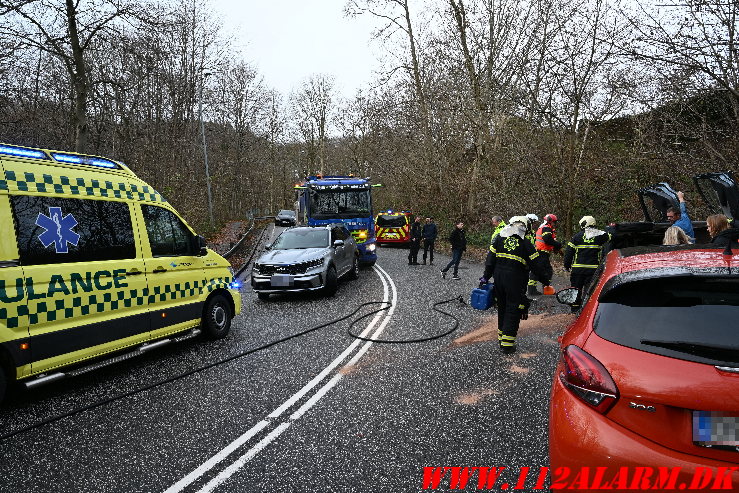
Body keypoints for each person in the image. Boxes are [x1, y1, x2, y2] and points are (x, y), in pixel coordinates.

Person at [488, 216, 547, 354]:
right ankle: (507, 345)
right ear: (525, 228)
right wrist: (545, 280)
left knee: (502, 307)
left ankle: (501, 338)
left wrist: (485, 277)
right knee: (513, 310)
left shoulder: (499, 239)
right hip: (515, 281)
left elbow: (490, 260)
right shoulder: (525, 243)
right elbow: (537, 265)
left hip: (499, 279)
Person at [563, 216, 611, 313]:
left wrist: (567, 265)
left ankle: (574, 310)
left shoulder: (576, 237)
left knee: (575, 290)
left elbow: (569, 252)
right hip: (593, 271)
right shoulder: (600, 236)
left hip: (578, 270)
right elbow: (611, 237)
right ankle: (587, 311)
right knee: (590, 291)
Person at [530, 213, 561, 295]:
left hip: (542, 253)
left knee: (545, 271)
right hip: (541, 253)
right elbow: (547, 239)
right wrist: (557, 244)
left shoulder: (544, 228)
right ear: (549, 221)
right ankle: (535, 290)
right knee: (542, 271)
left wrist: (556, 246)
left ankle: (544, 288)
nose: (555, 224)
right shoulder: (546, 228)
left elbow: (548, 241)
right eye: (554, 222)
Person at [480, 215, 506, 282]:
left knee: (490, 264)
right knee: (490, 264)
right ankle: (486, 277)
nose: (493, 224)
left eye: (494, 222)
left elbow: (499, 241)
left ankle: (487, 278)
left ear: (499, 221)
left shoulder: (503, 229)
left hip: (497, 251)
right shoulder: (499, 228)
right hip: (493, 250)